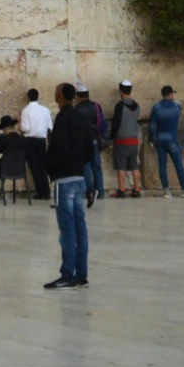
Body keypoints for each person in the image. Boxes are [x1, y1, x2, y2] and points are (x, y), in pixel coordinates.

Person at [43, 82, 94, 290]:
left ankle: (67, 275)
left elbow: (57, 148)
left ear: (61, 96)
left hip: (64, 181)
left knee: (67, 230)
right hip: (79, 179)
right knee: (80, 228)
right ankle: (81, 275)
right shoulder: (81, 118)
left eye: (56, 91)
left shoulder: (62, 119)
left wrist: (50, 169)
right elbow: (90, 150)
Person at [148, 86, 184, 196]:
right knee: (178, 165)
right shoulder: (176, 107)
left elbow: (152, 126)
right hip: (172, 138)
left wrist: (151, 139)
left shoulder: (156, 107)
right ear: (170, 94)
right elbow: (179, 113)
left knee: (162, 166)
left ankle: (166, 190)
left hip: (160, 139)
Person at [108, 80, 143, 198]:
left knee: (121, 166)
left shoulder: (120, 106)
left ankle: (122, 190)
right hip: (134, 140)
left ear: (121, 91)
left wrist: (112, 138)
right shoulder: (137, 106)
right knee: (134, 166)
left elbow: (116, 124)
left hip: (122, 140)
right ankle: (136, 189)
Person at [19, 88, 52, 200]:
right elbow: (50, 127)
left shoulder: (25, 110)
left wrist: (20, 124)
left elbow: (26, 128)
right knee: (43, 166)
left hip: (30, 141)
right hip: (42, 141)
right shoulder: (46, 110)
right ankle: (47, 191)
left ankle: (40, 192)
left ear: (28, 97)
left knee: (34, 167)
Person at [76, 86, 106, 205]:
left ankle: (90, 191)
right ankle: (101, 191)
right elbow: (100, 122)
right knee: (97, 167)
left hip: (83, 141)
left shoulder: (76, 109)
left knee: (86, 167)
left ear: (78, 97)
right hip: (94, 139)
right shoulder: (95, 106)